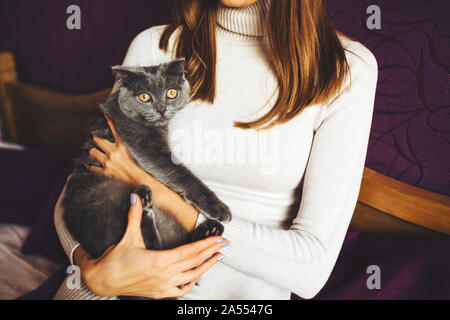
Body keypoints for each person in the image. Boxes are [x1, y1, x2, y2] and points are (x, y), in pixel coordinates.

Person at [54, 0, 378, 300]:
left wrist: (170, 200)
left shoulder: (347, 70)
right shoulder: (155, 47)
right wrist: (90, 269)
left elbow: (310, 269)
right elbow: (82, 184)